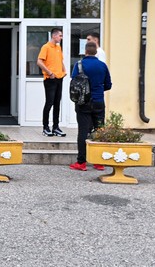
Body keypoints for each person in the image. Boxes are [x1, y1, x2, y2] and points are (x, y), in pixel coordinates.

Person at [70, 41, 112, 171]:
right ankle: (99, 162)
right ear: (96, 52)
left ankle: (81, 163)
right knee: (99, 131)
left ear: (85, 51)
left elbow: (74, 82)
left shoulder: (79, 65)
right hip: (99, 102)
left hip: (83, 103)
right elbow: (108, 85)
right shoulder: (102, 66)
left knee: (83, 131)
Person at [36, 28, 67, 137]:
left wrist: (64, 71)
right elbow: (39, 61)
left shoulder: (58, 47)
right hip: (50, 79)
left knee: (57, 103)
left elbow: (60, 60)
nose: (61, 38)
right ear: (54, 36)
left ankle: (56, 127)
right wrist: (49, 72)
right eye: (60, 35)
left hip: (59, 78)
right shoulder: (46, 47)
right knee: (49, 103)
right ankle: (45, 127)